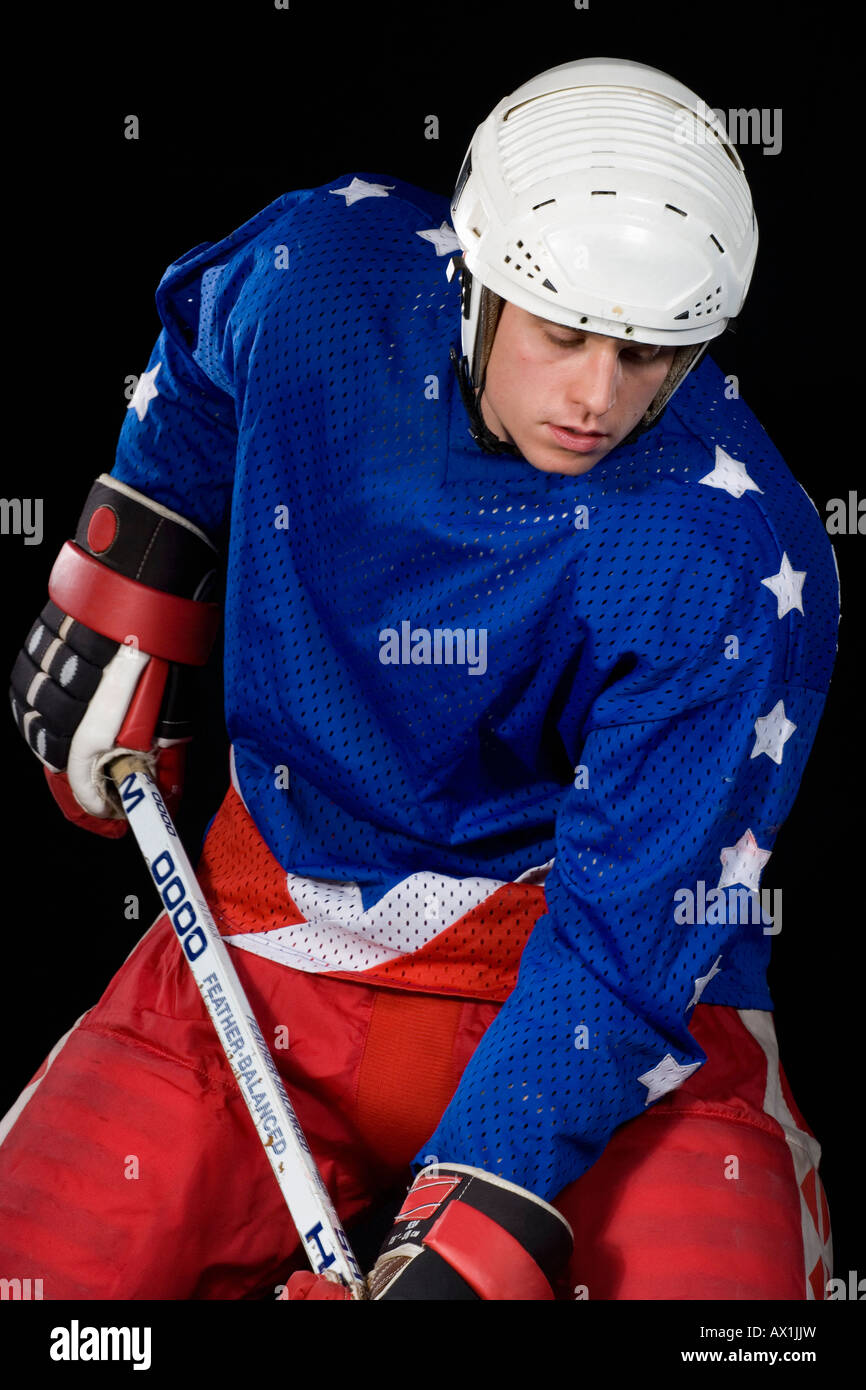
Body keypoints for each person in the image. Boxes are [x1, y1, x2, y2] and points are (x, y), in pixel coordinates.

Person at [0, 56, 837, 1301]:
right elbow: (199, 351)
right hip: (264, 944)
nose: (598, 399)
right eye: (562, 334)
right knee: (36, 1266)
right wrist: (130, 561)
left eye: (653, 353)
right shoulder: (322, 275)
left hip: (582, 994)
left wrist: (477, 1213)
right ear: (481, 275)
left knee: (723, 1307)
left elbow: (625, 936)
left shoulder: (732, 548)